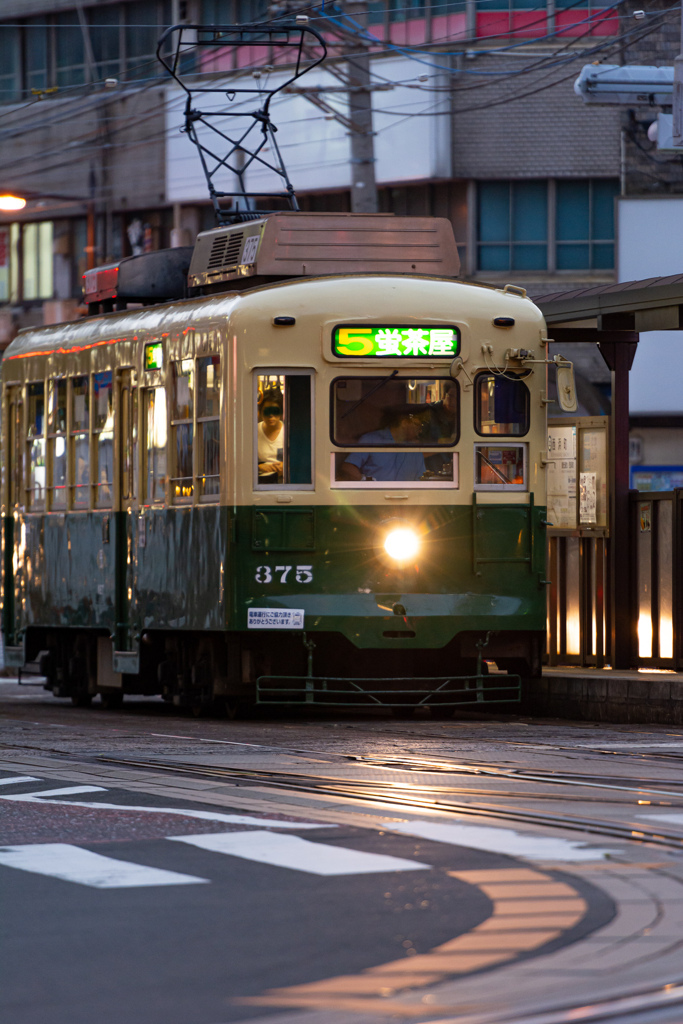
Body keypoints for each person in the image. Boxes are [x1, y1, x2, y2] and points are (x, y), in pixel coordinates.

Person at [338, 406, 427, 481]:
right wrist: (365, 481)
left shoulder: (415, 449)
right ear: (404, 423)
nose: (420, 431)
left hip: (406, 498)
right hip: (373, 497)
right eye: (417, 425)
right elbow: (348, 467)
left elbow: (420, 479)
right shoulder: (371, 440)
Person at [424, 381, 458, 475]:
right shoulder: (430, 414)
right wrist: (446, 441)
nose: (454, 401)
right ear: (444, 395)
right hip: (430, 471)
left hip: (456, 472)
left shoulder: (463, 416)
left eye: (458, 398)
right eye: (451, 396)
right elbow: (419, 449)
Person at [258, 388, 284, 484]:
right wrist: (259, 467)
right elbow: (242, 462)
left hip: (284, 483)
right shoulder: (253, 432)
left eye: (275, 411)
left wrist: (287, 467)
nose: (271, 415)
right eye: (267, 411)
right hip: (259, 483)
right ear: (260, 412)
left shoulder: (288, 433)